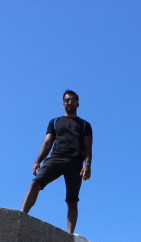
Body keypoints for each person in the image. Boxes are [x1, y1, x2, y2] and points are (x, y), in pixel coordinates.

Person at [21, 90, 93, 234]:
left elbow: (88, 148)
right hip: (55, 159)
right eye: (67, 100)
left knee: (72, 200)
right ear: (63, 103)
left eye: (72, 100)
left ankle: (70, 235)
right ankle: (21, 215)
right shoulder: (54, 122)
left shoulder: (85, 125)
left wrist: (87, 165)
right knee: (35, 183)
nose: (69, 102)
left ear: (78, 103)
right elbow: (47, 143)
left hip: (75, 163)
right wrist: (37, 161)